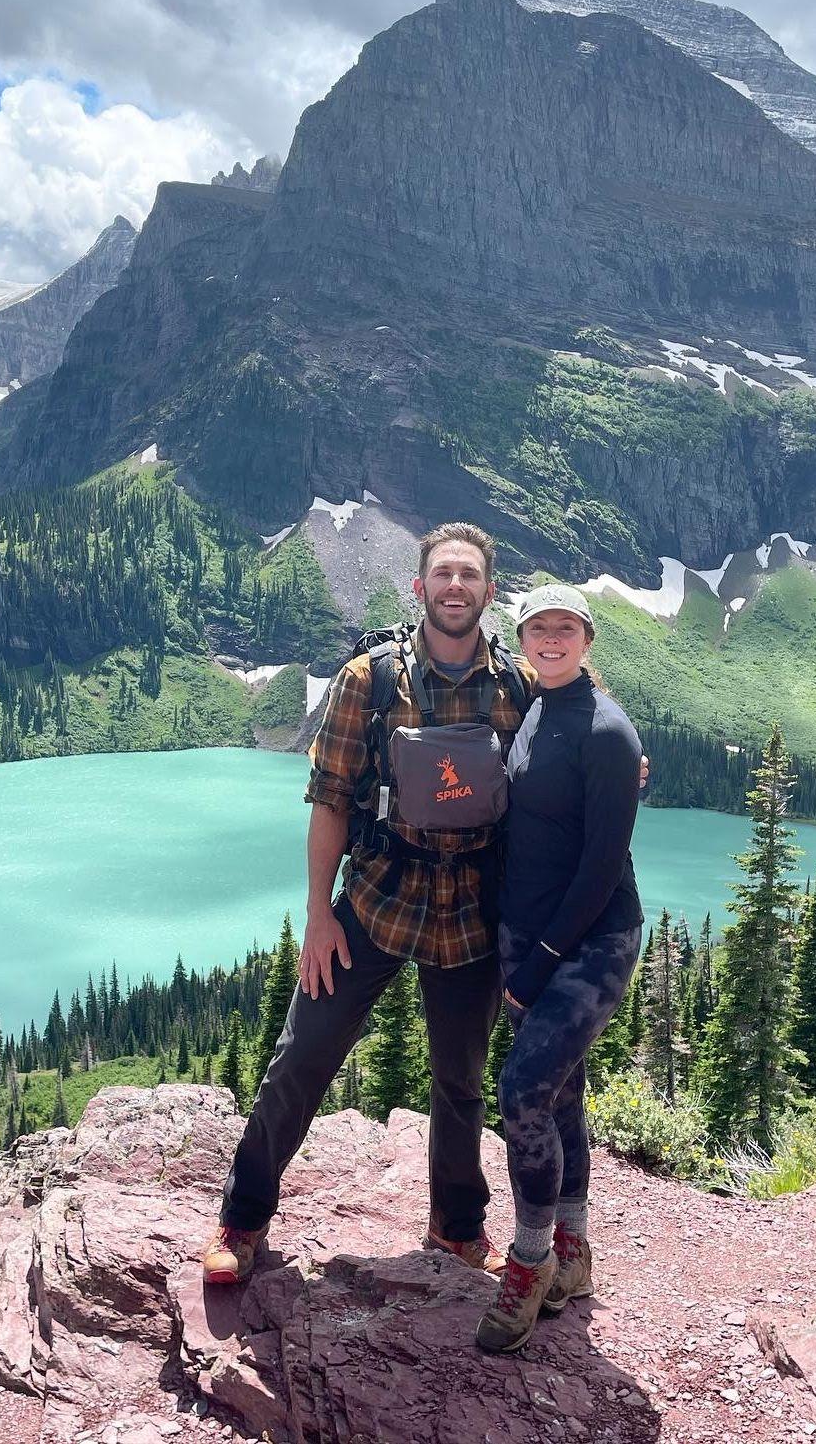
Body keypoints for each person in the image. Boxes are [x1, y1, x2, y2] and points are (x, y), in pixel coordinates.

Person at [201, 522, 529, 1282]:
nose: (454, 586)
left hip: (471, 910)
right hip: (377, 900)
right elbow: (328, 800)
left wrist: (624, 756)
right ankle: (242, 1218)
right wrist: (319, 915)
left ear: (487, 591)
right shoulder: (370, 680)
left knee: (459, 1076)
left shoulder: (514, 686)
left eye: (468, 576)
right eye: (442, 574)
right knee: (302, 1056)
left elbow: (573, 731)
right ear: (419, 587)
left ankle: (455, 1228)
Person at [475, 584, 644, 1353]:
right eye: (537, 628)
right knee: (560, 1092)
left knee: (519, 1091)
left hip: (591, 941)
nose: (550, 638)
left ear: (587, 638)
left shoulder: (606, 729)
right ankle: (573, 1252)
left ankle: (531, 1259)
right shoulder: (536, 705)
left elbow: (604, 862)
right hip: (527, 935)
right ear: (521, 638)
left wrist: (541, 959)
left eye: (564, 628)